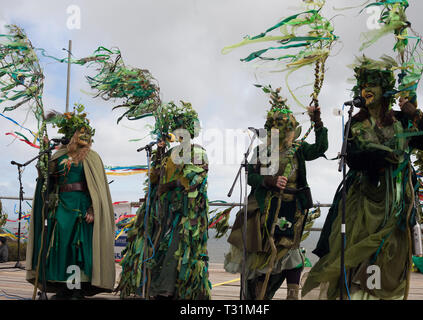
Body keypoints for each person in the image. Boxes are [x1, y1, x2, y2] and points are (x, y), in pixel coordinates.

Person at [302, 56, 423, 300]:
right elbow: (352, 159)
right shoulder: (354, 122)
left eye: (372, 84)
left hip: (396, 203)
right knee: (357, 252)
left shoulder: (402, 119)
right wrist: (381, 156)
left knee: (391, 254)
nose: (366, 89)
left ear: (384, 89)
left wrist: (415, 113)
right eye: (363, 84)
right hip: (361, 201)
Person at [224, 86, 328, 300]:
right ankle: (258, 294)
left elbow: (320, 148)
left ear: (292, 128)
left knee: (291, 250)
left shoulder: (298, 148)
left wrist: (317, 122)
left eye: (285, 127)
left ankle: (293, 294)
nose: (281, 131)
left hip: (293, 209)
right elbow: (250, 177)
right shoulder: (261, 151)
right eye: (276, 127)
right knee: (264, 252)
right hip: (265, 208)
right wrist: (268, 181)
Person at [116, 101, 211, 300]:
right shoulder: (170, 154)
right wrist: (159, 151)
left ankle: (168, 291)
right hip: (163, 210)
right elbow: (154, 177)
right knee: (158, 248)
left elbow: (193, 181)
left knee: (176, 249)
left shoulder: (198, 152)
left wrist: (169, 185)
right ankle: (153, 288)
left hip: (185, 213)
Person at [25, 104, 116, 300]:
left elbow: (97, 188)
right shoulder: (58, 154)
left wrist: (93, 207)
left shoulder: (91, 157)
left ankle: (77, 289)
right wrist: (44, 155)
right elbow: (46, 177)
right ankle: (64, 287)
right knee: (61, 248)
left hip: (80, 207)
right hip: (61, 208)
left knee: (77, 250)